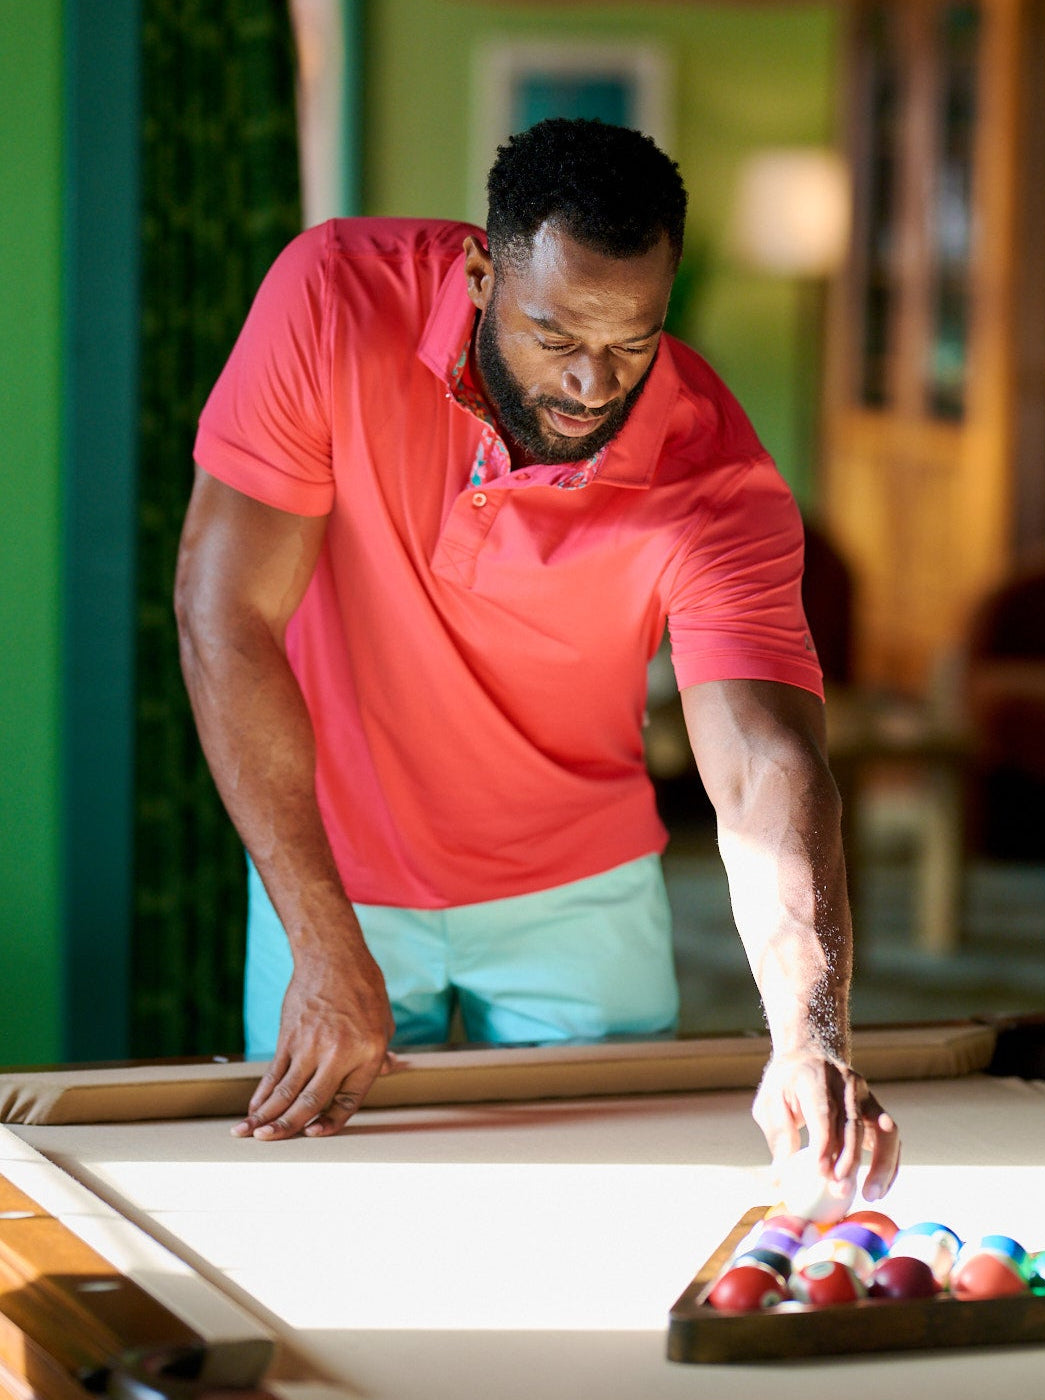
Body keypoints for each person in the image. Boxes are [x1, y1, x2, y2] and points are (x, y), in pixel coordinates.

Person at [175, 117, 899, 1196]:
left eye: (632, 343)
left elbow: (766, 766)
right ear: (479, 274)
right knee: (325, 1205)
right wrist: (323, 943)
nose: (591, 385)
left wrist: (809, 1030)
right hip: (338, 868)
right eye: (555, 336)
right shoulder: (332, 298)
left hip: (577, 884)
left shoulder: (717, 478)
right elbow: (222, 613)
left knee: (606, 1201)